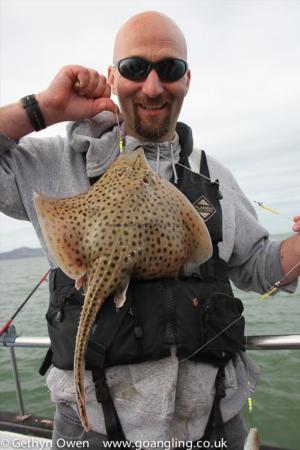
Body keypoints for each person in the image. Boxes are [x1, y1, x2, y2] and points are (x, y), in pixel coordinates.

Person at [0, 10, 299, 450]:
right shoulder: (54, 163)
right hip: (95, 434)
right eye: (135, 68)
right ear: (112, 76)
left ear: (187, 79)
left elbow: (259, 267)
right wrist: (42, 109)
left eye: (170, 68)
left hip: (214, 427)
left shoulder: (212, 176)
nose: (153, 86)